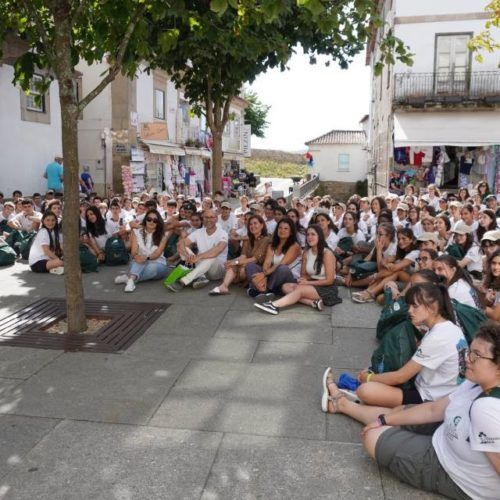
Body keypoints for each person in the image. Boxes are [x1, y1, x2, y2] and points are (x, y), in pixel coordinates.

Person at [328, 322, 500, 500]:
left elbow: (401, 376)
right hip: (446, 430)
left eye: (476, 355)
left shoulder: (486, 409)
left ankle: (342, 404)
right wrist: (384, 419)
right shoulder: (475, 382)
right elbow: (434, 409)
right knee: (396, 413)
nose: (467, 359)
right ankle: (343, 405)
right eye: (469, 352)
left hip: (454, 472)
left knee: (372, 436)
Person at [324, 282, 467, 412]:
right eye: (409, 305)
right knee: (375, 376)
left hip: (429, 398)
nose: (409, 311)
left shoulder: (438, 337)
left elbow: (401, 377)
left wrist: (369, 378)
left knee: (366, 390)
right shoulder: (448, 328)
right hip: (440, 392)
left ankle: (344, 403)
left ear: (432, 308)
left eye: (415, 306)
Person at [254, 224, 339, 314]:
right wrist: (304, 280)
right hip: (312, 284)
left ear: (320, 237)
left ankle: (274, 305)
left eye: (313, 234)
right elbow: (303, 275)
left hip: (327, 288)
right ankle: (312, 302)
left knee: (299, 290)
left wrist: (308, 282)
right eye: (308, 235)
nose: (309, 237)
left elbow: (329, 280)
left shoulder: (327, 253)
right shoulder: (306, 253)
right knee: (285, 286)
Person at [168, 209, 228, 292]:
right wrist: (187, 256)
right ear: (203, 219)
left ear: (216, 219)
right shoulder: (199, 232)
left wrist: (198, 257)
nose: (208, 220)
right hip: (201, 266)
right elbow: (180, 244)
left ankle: (183, 281)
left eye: (211, 217)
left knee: (212, 255)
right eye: (206, 217)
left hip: (217, 270)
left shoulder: (222, 233)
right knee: (184, 248)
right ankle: (201, 277)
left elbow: (219, 249)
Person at [209, 214, 270, 295]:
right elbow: (243, 256)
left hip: (258, 268)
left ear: (262, 225)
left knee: (242, 268)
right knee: (231, 265)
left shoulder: (266, 240)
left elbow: (255, 259)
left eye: (255, 223)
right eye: (250, 224)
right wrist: (231, 261)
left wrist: (236, 262)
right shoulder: (248, 239)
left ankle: (250, 284)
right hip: (246, 264)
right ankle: (224, 286)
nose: (252, 226)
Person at [245, 217, 301, 300]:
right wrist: (264, 274)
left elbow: (282, 263)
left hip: (288, 278)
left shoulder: (295, 246)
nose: (282, 230)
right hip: (272, 275)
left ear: (291, 232)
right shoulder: (272, 245)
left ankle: (261, 290)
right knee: (250, 266)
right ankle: (262, 290)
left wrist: (264, 275)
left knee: (283, 268)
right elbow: (267, 263)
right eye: (280, 228)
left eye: (286, 228)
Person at [114, 209, 168, 292]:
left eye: (155, 220)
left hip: (158, 264)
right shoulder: (136, 232)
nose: (151, 222)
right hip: (138, 262)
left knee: (151, 267)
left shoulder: (163, 235)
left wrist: (146, 258)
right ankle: (131, 280)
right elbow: (134, 252)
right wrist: (137, 257)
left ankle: (129, 277)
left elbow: (157, 253)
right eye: (149, 219)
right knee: (138, 262)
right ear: (145, 220)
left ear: (158, 223)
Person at [482, 249, 500, 321]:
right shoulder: (492, 279)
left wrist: (478, 306)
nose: (496, 267)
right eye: (494, 263)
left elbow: (494, 316)